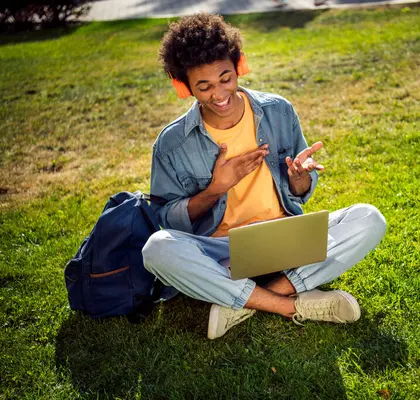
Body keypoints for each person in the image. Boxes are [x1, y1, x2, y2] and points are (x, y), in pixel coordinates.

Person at [141, 13, 386, 339]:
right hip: (221, 253)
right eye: (204, 86)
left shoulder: (278, 110)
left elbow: (299, 191)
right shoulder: (171, 144)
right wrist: (215, 190)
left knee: (369, 218)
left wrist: (300, 179)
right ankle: (290, 304)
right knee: (156, 249)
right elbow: (167, 220)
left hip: (283, 239)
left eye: (226, 78)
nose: (219, 94)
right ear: (183, 86)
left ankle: (248, 300)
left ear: (239, 65)